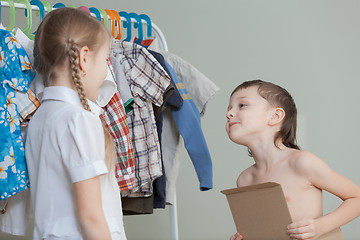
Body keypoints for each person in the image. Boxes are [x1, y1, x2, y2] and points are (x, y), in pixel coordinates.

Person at [25, 8, 126, 240]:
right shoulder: (78, 120)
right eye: (105, 60)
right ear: (84, 58)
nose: (105, 71)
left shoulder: (40, 118)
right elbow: (90, 217)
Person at [227, 80, 360, 240]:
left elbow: (356, 198)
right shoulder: (245, 179)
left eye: (242, 105)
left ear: (275, 116)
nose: (229, 113)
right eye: (229, 108)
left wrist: (320, 227)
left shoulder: (301, 163)